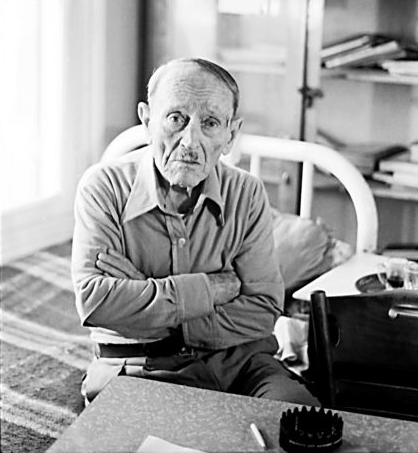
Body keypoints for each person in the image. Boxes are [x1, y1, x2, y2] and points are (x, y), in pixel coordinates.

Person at [72, 57, 318, 405]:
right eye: (176, 118)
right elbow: (96, 302)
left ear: (230, 135)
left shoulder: (246, 193)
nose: (190, 141)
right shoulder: (104, 186)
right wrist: (211, 289)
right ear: (147, 121)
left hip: (241, 365)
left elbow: (263, 311)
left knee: (299, 418)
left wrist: (147, 296)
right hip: (137, 368)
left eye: (210, 123)